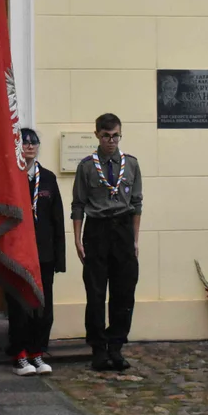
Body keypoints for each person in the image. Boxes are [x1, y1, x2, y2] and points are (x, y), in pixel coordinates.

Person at [72, 113, 143, 372]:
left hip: (123, 230)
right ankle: (98, 348)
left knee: (124, 291)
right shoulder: (87, 166)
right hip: (97, 230)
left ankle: (116, 346)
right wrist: (77, 239)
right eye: (106, 136)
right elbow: (78, 204)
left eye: (115, 136)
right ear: (97, 135)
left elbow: (136, 204)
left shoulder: (131, 164)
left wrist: (135, 240)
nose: (111, 141)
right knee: (96, 292)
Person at [8, 128, 66, 376]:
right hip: (18, 254)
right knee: (19, 305)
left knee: (44, 306)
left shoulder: (49, 178)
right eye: (24, 142)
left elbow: (57, 220)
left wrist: (59, 258)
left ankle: (37, 352)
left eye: (34, 142)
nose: (29, 146)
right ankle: (19, 354)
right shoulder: (11, 177)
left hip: (44, 254)